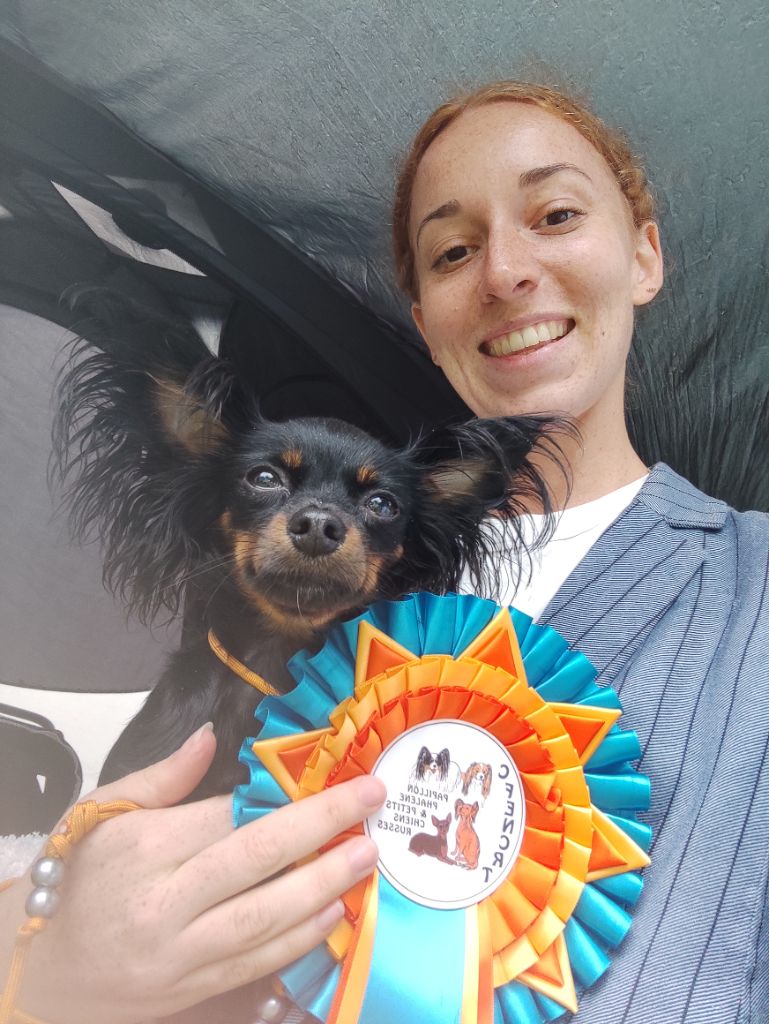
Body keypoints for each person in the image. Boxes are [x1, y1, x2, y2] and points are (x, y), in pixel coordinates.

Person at [2, 79, 767, 1024]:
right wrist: (37, 948)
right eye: (452, 251)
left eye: (555, 215)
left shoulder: (753, 590)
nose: (504, 271)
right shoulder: (296, 633)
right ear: (421, 316)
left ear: (645, 254)